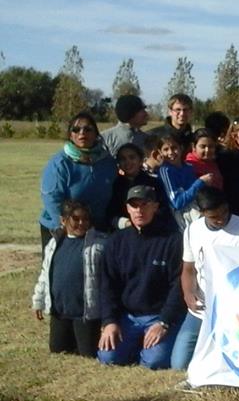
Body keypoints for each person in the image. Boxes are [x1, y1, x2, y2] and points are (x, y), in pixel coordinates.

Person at [173, 187, 239, 370]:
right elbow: (188, 269)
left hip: (234, 309)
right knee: (178, 364)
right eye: (214, 217)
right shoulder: (192, 231)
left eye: (224, 213)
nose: (221, 219)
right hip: (201, 310)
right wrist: (188, 294)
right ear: (202, 212)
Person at [98, 185, 185, 370]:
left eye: (144, 204)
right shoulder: (116, 241)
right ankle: (133, 346)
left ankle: (149, 347)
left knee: (155, 361)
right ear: (128, 209)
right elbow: (107, 285)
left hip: (159, 316)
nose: (139, 210)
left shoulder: (172, 240)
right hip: (127, 317)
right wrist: (109, 321)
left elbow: (178, 285)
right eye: (134, 205)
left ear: (155, 206)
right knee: (108, 357)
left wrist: (165, 322)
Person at [32, 200, 107, 358]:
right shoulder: (54, 243)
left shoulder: (99, 244)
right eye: (76, 218)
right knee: (58, 350)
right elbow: (45, 274)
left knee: (87, 353)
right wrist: (38, 301)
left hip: (85, 313)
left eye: (85, 219)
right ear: (63, 220)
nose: (81, 223)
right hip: (60, 311)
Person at [40, 111, 116, 246]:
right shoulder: (60, 163)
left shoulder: (107, 161)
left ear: (96, 134)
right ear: (70, 134)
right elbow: (52, 199)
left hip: (97, 228)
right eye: (76, 129)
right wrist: (66, 228)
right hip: (63, 229)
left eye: (87, 129)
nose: (82, 133)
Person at [107, 142, 170, 231]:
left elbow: (164, 208)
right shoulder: (117, 185)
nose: (127, 162)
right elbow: (112, 215)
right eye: (123, 159)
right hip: (128, 232)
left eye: (132, 157)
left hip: (155, 229)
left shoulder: (153, 182)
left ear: (140, 160)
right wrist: (127, 223)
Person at [157, 133, 212, 231]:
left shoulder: (189, 167)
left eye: (174, 148)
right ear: (160, 152)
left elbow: (194, 193)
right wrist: (200, 182)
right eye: (165, 149)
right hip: (184, 218)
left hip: (198, 211)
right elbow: (177, 202)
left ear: (181, 148)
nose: (171, 152)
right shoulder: (165, 171)